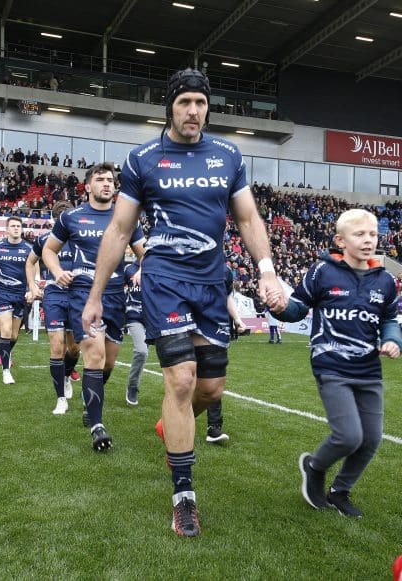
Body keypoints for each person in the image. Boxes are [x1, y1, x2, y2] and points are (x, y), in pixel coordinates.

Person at [81, 68, 283, 537]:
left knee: (209, 392)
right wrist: (95, 295)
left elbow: (249, 218)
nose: (194, 111)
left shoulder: (229, 155)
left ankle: (172, 425)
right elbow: (119, 230)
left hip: (213, 283)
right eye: (185, 102)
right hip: (165, 279)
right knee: (181, 380)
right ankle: (185, 497)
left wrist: (267, 269)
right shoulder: (143, 159)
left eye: (201, 103)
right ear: (170, 106)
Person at [272, 209, 401, 518]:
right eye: (360, 235)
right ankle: (314, 467)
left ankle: (340, 491)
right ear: (340, 241)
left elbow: (390, 319)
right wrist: (278, 306)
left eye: (372, 234)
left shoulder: (385, 281)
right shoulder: (322, 272)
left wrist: (393, 340)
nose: (368, 240)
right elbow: (296, 309)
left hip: (369, 369)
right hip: (331, 365)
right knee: (349, 436)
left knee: (370, 439)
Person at [43, 163, 145, 449]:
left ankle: (92, 402)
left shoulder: (126, 219)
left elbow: (144, 253)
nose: (107, 184)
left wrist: (143, 269)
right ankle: (97, 426)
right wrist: (55, 271)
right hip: (83, 294)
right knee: (95, 354)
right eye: (100, 179)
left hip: (115, 296)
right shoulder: (71, 218)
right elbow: (48, 250)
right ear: (87, 186)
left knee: (109, 362)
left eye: (111, 180)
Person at [25, 201, 80, 415]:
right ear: (56, 220)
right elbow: (30, 262)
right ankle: (60, 399)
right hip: (54, 294)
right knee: (57, 347)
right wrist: (32, 284)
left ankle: (67, 376)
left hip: (78, 295)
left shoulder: (82, 238)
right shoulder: (44, 239)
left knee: (74, 348)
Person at [0, 217, 35, 384]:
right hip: (2, 292)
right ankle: (6, 371)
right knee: (5, 331)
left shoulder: (29, 248)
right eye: (12, 226)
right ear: (6, 229)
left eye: (18, 226)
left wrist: (32, 289)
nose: (16, 228)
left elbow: (35, 268)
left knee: (13, 336)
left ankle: (3, 352)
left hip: (21, 295)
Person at [205, 264, 248, 444]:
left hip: (217, 328)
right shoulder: (190, 259)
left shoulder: (224, 270)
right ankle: (173, 421)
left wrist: (237, 319)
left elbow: (227, 297)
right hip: (191, 326)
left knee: (214, 382)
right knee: (186, 380)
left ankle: (214, 427)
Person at [123, 260, 147, 407]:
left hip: (154, 318)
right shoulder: (128, 269)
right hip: (134, 315)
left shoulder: (158, 265)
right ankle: (133, 386)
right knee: (142, 351)